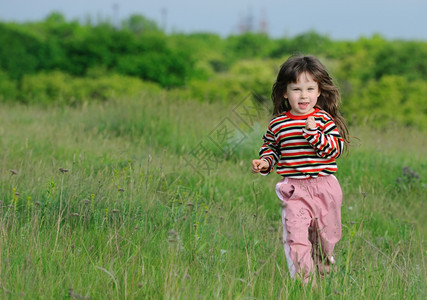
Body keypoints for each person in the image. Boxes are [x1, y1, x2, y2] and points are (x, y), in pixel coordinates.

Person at [251, 55, 350, 285]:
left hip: (325, 188)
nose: (303, 95)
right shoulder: (278, 124)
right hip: (294, 189)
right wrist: (265, 162)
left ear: (318, 92)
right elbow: (271, 148)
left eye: (309, 89)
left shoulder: (324, 119)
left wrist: (314, 134)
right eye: (296, 89)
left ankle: (325, 278)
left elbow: (335, 150)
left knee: (326, 241)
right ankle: (306, 285)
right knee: (296, 238)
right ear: (285, 92)